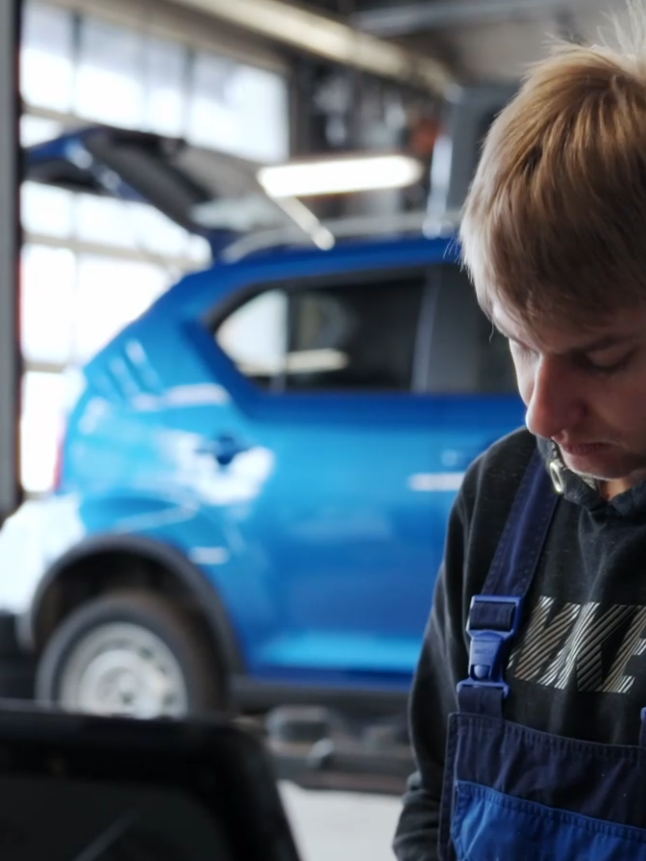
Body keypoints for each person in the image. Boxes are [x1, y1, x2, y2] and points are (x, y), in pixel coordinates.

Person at [393, 11, 646, 861]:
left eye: (602, 357)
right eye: (522, 344)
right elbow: (436, 792)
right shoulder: (502, 497)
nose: (542, 412)